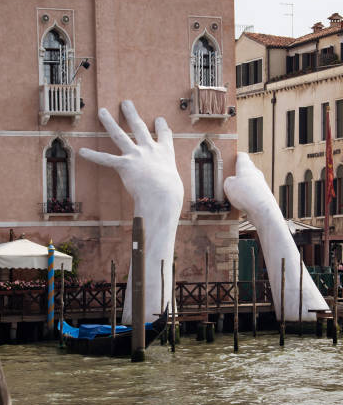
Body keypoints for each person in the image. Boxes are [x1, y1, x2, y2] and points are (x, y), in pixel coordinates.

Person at [80, 103, 328, 323]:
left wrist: (266, 212)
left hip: (149, 315)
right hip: (151, 315)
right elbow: (309, 313)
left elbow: (309, 315)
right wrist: (267, 213)